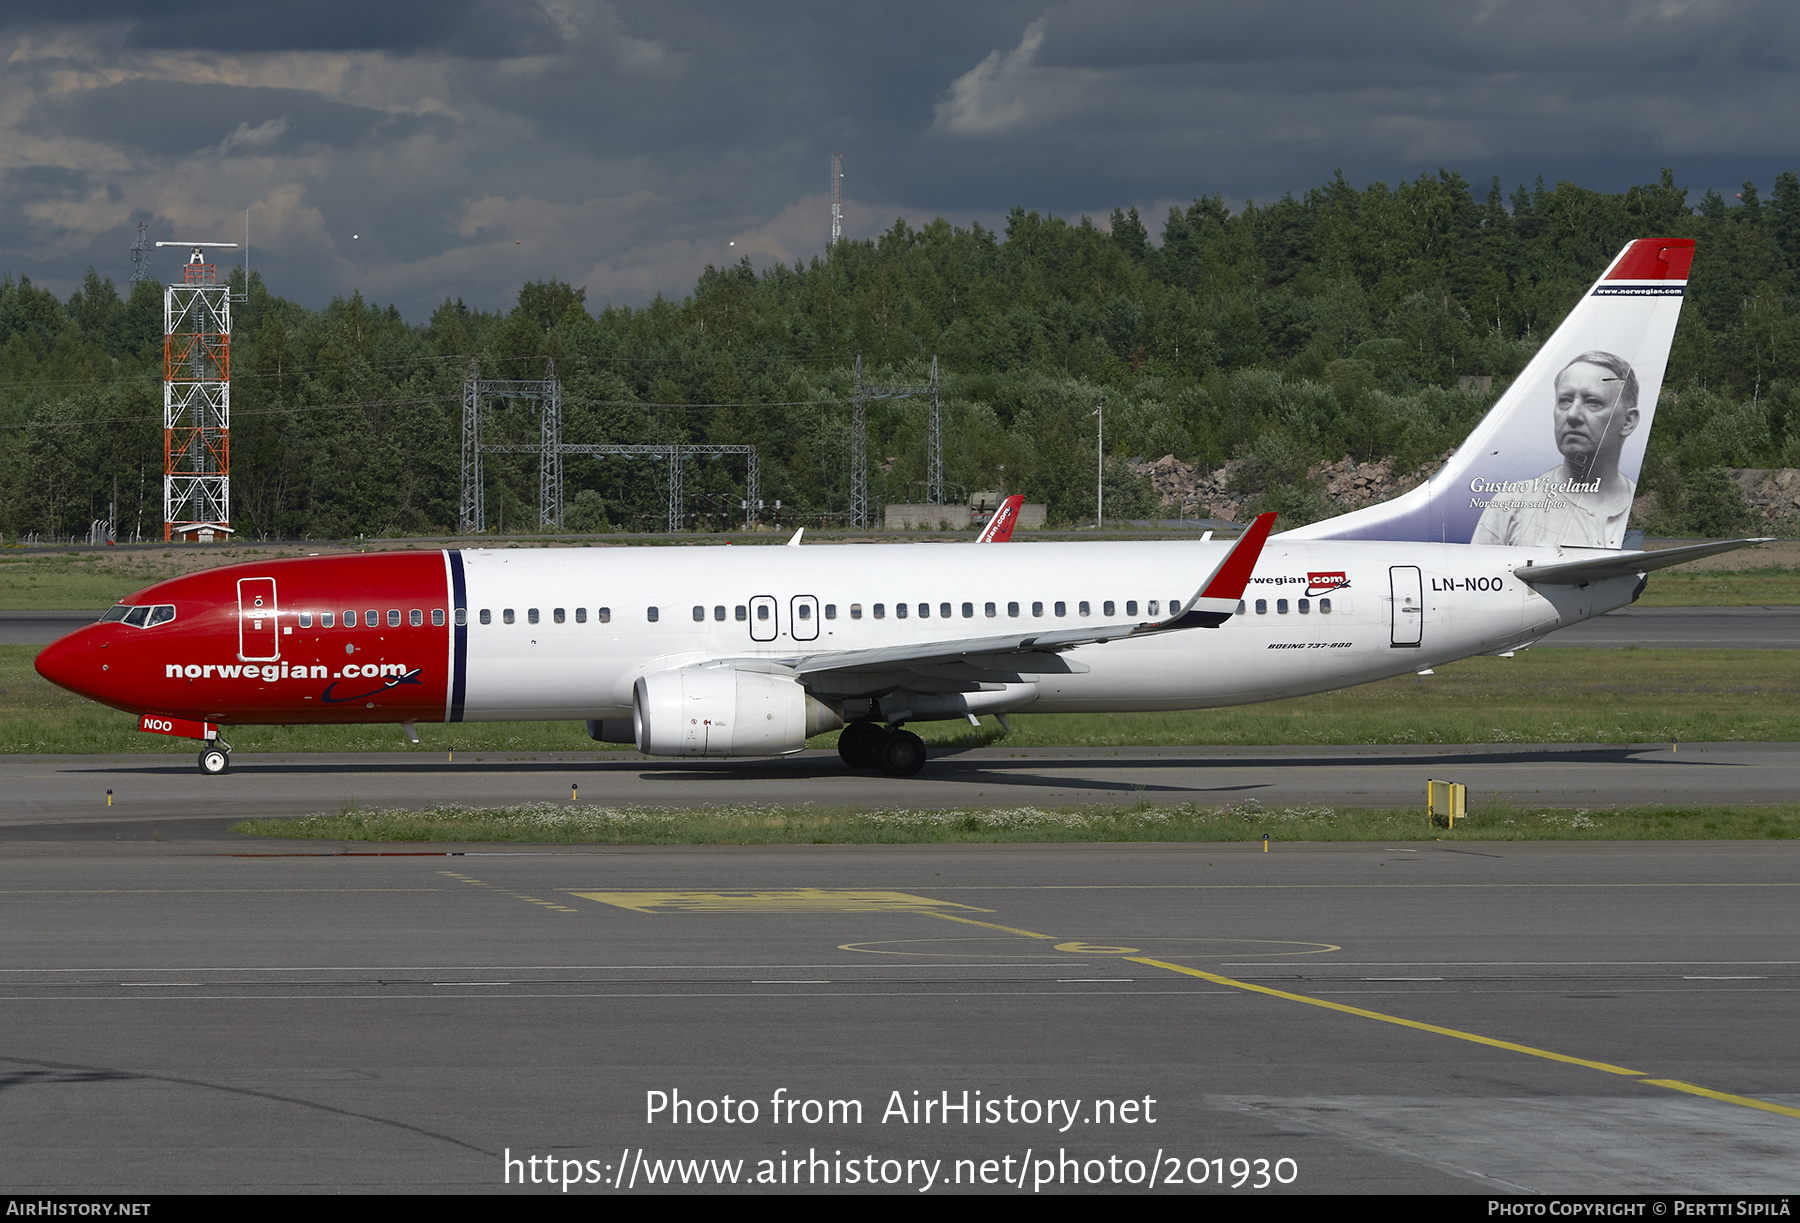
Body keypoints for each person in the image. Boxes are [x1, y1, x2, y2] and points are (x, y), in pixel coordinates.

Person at [1472, 351, 1639, 548]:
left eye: (1592, 402)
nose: (1572, 415)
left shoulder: (1635, 506)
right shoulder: (1513, 504)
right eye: (1565, 401)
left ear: (1628, 421)